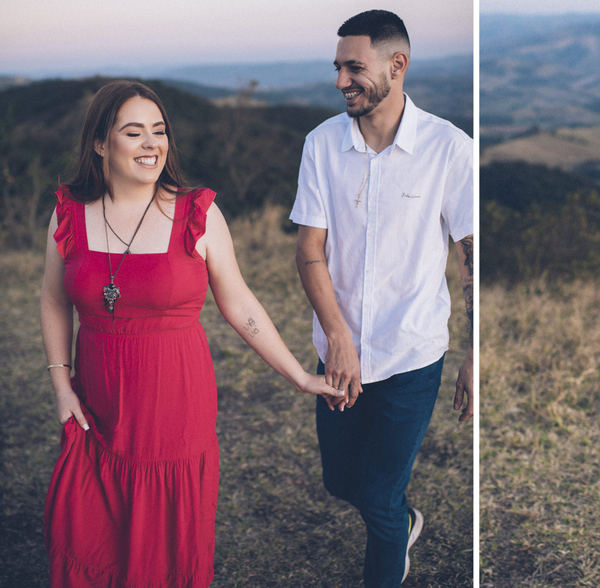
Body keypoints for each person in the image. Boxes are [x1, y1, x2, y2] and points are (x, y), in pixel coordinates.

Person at [39, 80, 342, 587]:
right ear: (100, 143)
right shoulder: (69, 212)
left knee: (164, 546)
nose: (151, 143)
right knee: (88, 533)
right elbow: (53, 298)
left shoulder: (196, 213)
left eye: (159, 131)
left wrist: (298, 376)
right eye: (133, 133)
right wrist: (61, 385)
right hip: (96, 401)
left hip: (172, 408)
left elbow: (239, 303)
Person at [289, 10, 474, 587]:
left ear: (398, 66)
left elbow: (473, 259)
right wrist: (339, 339)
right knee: (341, 482)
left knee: (377, 496)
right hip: (339, 355)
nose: (341, 79)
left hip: (412, 354)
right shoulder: (321, 144)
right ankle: (404, 516)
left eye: (354, 67)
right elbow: (309, 251)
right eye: (338, 67)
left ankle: (391, 537)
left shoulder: (449, 148)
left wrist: (475, 355)